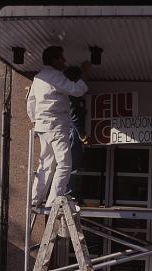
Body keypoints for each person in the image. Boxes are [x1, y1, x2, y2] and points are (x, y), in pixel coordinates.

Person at [27, 46, 91, 210]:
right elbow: (77, 90)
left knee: (46, 164)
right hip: (56, 126)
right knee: (64, 164)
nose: (64, 61)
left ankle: (35, 199)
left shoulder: (39, 77)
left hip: (42, 126)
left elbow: (31, 103)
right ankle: (53, 202)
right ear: (54, 59)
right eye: (61, 58)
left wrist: (36, 121)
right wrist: (85, 72)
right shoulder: (55, 76)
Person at [63, 66, 89, 200]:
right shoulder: (71, 94)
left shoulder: (63, 92)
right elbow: (74, 115)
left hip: (67, 130)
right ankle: (68, 194)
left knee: (67, 162)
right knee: (72, 163)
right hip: (72, 131)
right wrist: (82, 134)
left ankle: (67, 192)